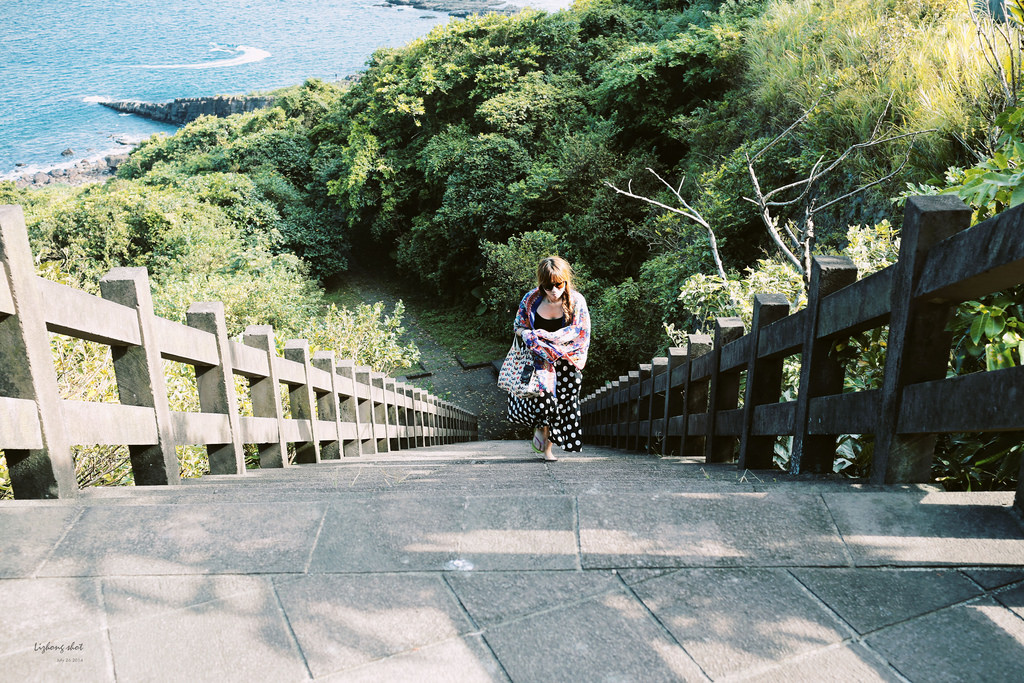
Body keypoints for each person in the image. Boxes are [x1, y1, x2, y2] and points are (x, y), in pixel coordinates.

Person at [507, 256, 591, 461]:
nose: (554, 290)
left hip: (568, 361)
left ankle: (548, 446)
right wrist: (528, 334)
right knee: (544, 402)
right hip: (539, 360)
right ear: (541, 284)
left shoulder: (577, 301)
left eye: (559, 284)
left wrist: (552, 341)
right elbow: (518, 326)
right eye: (548, 286)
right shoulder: (530, 300)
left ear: (565, 281)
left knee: (562, 404)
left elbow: (582, 334)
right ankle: (542, 433)